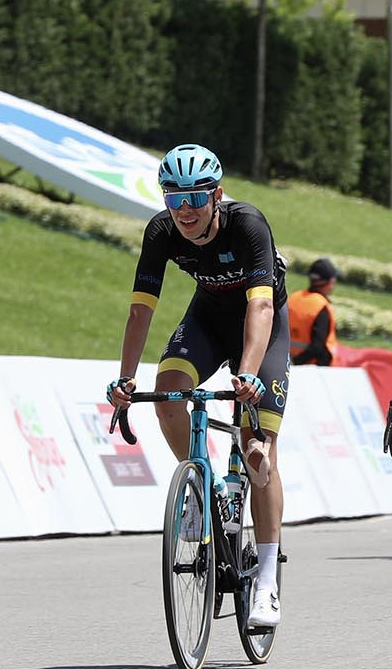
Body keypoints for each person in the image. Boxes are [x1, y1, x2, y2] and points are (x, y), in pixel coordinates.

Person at [107, 144, 289, 629]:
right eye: (173, 197)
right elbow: (141, 309)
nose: (184, 209)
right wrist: (126, 377)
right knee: (167, 393)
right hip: (208, 318)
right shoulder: (161, 230)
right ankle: (200, 486)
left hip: (262, 326)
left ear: (217, 195)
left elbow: (262, 308)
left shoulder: (247, 224)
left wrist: (248, 373)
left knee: (258, 453)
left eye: (195, 196)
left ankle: (267, 582)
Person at [288, 257, 341, 366]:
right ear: (330, 281)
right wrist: (296, 363)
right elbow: (317, 347)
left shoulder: (293, 298)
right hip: (314, 369)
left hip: (286, 362)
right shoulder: (321, 306)